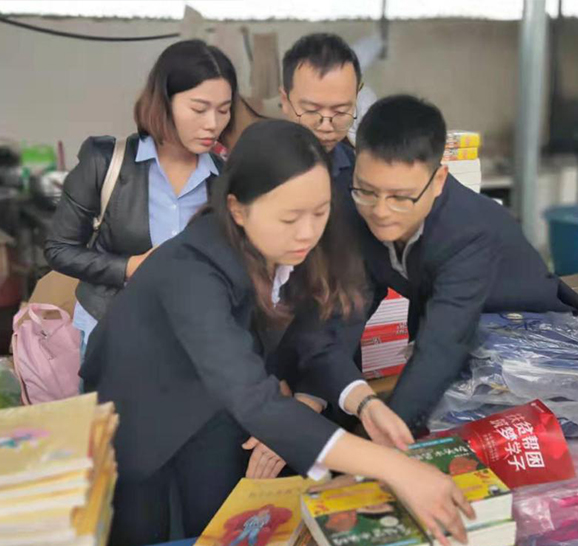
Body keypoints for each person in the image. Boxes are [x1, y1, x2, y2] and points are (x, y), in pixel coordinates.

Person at [81, 120, 474, 546]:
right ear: (237, 209)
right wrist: (397, 468)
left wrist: (363, 402)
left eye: (320, 212)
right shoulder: (192, 270)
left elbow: (313, 341)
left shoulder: (293, 243)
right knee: (148, 526)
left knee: (223, 521)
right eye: (290, 217)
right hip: (144, 409)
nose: (308, 232)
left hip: (216, 402)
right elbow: (254, 398)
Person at [295, 94, 578, 433]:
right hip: (446, 328)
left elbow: (443, 344)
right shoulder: (356, 206)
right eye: (367, 190)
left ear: (437, 181)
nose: (380, 211)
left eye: (400, 197)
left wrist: (390, 434)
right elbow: (349, 305)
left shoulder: (468, 231)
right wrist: (312, 395)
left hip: (529, 343)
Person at [45, 39, 237, 356]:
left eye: (224, 110)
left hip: (190, 341)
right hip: (110, 332)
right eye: (199, 109)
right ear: (164, 101)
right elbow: (59, 249)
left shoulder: (225, 178)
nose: (212, 124)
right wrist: (128, 267)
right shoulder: (106, 161)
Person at [279, 33, 360, 188]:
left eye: (340, 111)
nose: (326, 126)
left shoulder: (358, 172)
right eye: (311, 110)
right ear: (285, 101)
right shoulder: (256, 167)